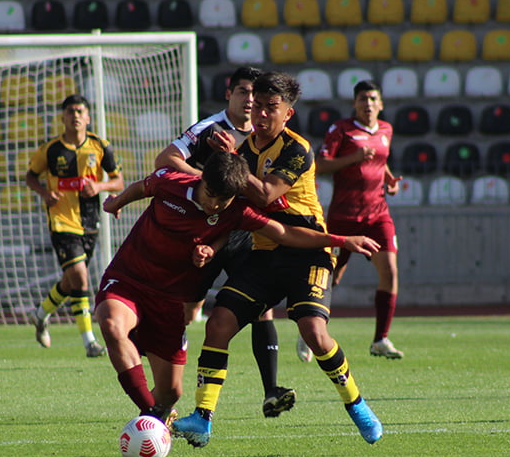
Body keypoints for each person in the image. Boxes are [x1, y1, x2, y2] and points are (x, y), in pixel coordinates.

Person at [172, 71, 385, 448]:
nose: (261, 114)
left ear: (288, 113)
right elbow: (236, 211)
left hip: (309, 252)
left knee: (313, 332)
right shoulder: (243, 151)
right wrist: (213, 246)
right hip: (266, 252)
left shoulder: (296, 149)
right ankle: (202, 418)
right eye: (257, 106)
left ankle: (356, 404)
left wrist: (230, 160)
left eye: (271, 107)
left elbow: (266, 195)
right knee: (218, 323)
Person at [95, 151, 379, 426]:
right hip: (128, 279)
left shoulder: (237, 211)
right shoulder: (170, 182)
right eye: (210, 194)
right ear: (202, 179)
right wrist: (116, 202)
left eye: (223, 200)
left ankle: (157, 416)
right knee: (111, 324)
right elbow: (141, 187)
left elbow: (285, 233)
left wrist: (341, 240)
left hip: (169, 299)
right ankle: (150, 418)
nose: (214, 205)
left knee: (170, 393)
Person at [154, 66, 295, 419]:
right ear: (229, 95)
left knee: (262, 306)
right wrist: (211, 180)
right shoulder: (209, 129)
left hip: (243, 232)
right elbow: (164, 160)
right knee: (188, 311)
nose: (250, 101)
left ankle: (272, 391)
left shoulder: (268, 135)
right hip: (204, 233)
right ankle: (166, 395)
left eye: (256, 95)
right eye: (243, 92)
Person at [25, 94, 125, 358]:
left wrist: (100, 186)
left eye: (80, 111)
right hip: (61, 221)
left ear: (88, 117)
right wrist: (44, 193)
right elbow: (30, 177)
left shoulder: (100, 146)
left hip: (90, 222)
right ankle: (90, 342)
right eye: (70, 111)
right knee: (80, 276)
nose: (75, 116)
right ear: (63, 117)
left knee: (71, 282)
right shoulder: (50, 150)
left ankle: (40, 314)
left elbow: (118, 181)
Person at [313, 80, 405, 360]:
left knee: (390, 272)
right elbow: (321, 165)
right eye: (363, 98)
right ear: (354, 103)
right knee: (330, 277)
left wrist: (389, 180)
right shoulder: (341, 130)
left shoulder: (386, 129)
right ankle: (311, 332)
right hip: (344, 216)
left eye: (373, 98)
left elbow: (380, 161)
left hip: (377, 214)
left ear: (381, 104)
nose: (368, 103)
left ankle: (381, 339)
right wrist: (355, 157)